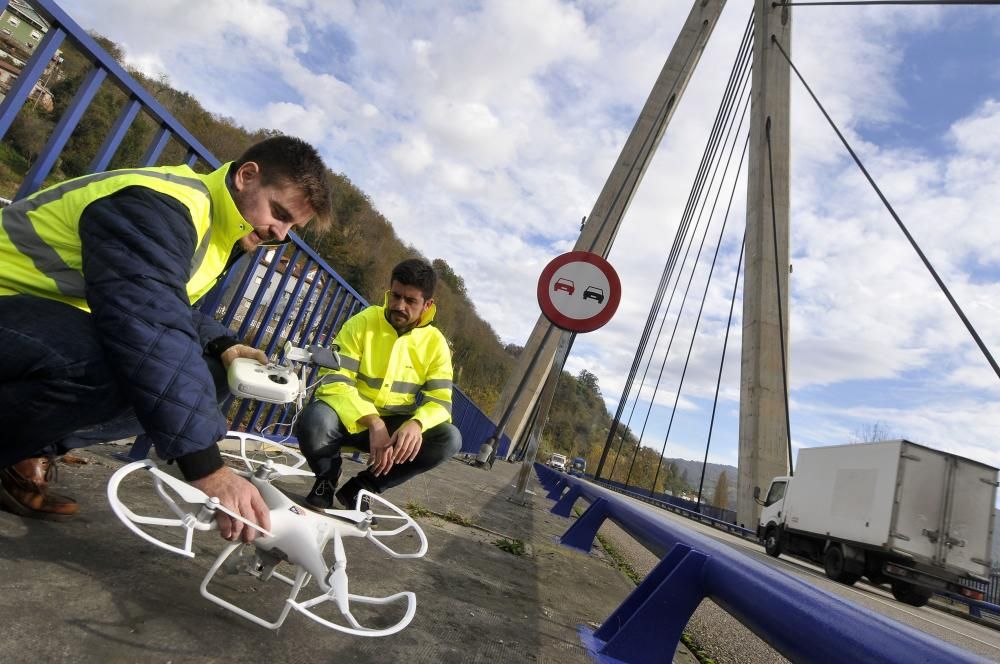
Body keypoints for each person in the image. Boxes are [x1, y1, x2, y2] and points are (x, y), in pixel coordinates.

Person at [0, 135, 333, 544]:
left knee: (210, 373)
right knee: (117, 363)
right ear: (247, 176)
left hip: (35, 317)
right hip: (9, 300)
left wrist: (221, 343)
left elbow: (165, 303)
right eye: (278, 213)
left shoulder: (214, 226)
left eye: (291, 227)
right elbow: (147, 325)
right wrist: (208, 469)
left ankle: (26, 451)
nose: (280, 234)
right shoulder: (160, 204)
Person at [295, 258, 462, 510]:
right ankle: (326, 480)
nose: (399, 305)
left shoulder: (436, 344)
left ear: (427, 305)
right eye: (395, 296)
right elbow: (334, 381)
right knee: (314, 419)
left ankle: (362, 489)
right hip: (351, 418)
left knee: (449, 439)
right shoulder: (362, 322)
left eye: (410, 301)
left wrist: (417, 424)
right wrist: (372, 420)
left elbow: (440, 402)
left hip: (396, 426)